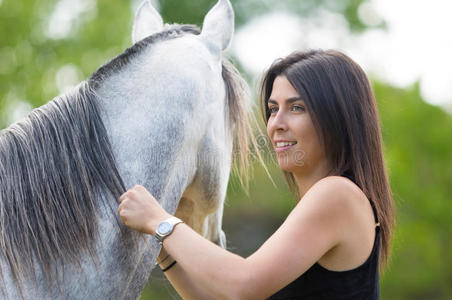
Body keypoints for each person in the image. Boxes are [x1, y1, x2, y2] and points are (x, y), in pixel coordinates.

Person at [117, 49, 395, 299]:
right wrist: (163, 247)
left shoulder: (337, 194)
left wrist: (160, 220)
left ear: (337, 116)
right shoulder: (327, 202)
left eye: (296, 108)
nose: (276, 124)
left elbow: (244, 284)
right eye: (273, 109)